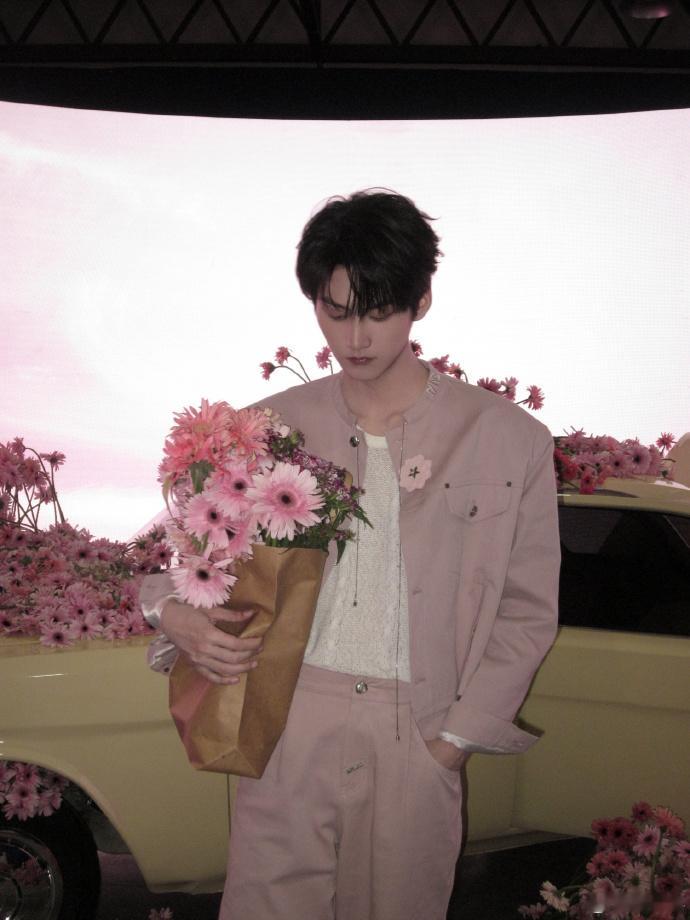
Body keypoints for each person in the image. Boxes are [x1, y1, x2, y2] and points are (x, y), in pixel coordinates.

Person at [141, 189, 560, 920]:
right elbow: (180, 562)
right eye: (335, 312)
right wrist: (168, 612)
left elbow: (527, 610)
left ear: (421, 301)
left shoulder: (507, 438)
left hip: (419, 729)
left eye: (378, 311)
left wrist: (454, 740)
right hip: (288, 717)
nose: (355, 337)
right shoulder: (264, 429)